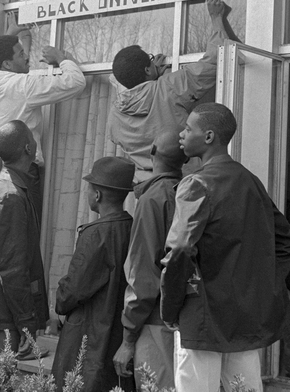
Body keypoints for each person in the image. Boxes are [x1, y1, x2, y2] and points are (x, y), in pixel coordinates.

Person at [161, 103, 290, 392]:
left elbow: (179, 251)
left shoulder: (196, 183)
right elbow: (287, 243)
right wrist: (259, 286)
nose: (181, 135)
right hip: (243, 316)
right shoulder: (250, 181)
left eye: (188, 128)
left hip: (202, 314)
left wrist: (170, 307)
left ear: (209, 136)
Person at [109, 0, 239, 182]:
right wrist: (216, 18)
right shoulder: (168, 87)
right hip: (184, 185)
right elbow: (215, 60)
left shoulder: (115, 113)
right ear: (147, 69)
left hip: (147, 186)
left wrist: (155, 79)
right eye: (151, 61)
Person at [0, 28, 85, 218]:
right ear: (7, 64)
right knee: (22, 238)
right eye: (21, 54)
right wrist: (60, 58)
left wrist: (11, 33)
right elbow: (76, 82)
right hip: (15, 173)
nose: (27, 58)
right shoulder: (24, 85)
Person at [52, 156, 136, 392]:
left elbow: (71, 292)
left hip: (87, 337)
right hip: (118, 334)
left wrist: (58, 301)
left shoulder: (96, 234)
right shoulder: (133, 227)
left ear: (97, 195)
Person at [113, 131, 186, 389]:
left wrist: (128, 339)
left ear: (152, 151)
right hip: (185, 321)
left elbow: (142, 275)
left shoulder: (153, 199)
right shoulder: (189, 192)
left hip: (155, 321)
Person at [0, 120, 48, 356]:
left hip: (0, 308)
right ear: (27, 148)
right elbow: (11, 267)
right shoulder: (10, 195)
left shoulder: (12, 186)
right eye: (33, 139)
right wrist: (26, 321)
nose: (36, 144)